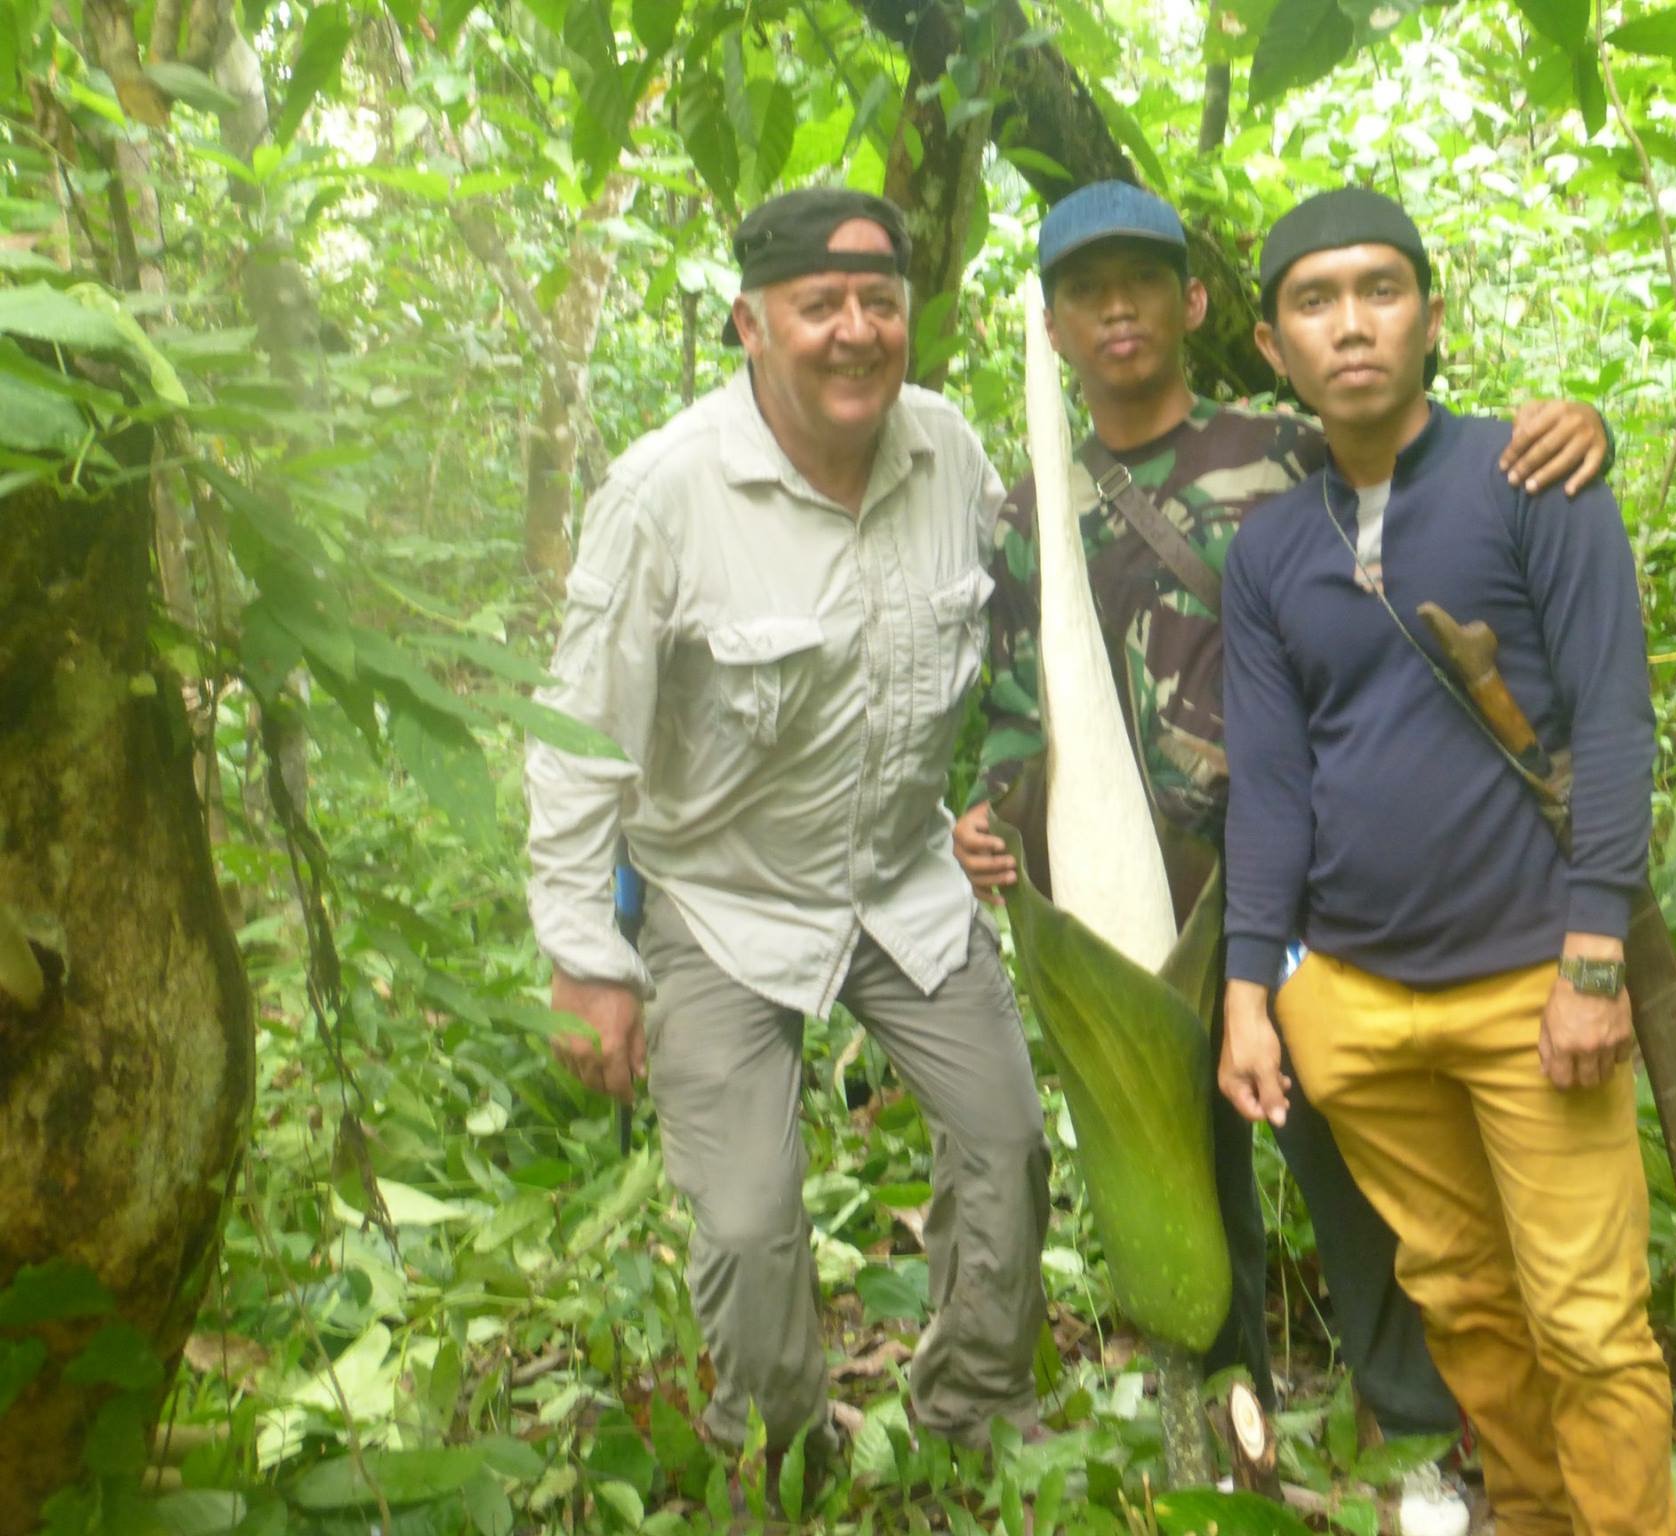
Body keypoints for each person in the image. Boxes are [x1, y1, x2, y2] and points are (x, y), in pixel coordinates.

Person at [951, 180, 1611, 1533]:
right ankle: (1227, 1447)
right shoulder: (1030, 504)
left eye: (1145, 281)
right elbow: (1019, 695)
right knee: (1188, 1192)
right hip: (1124, 925)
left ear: (1199, 308)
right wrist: (989, 805)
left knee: (1355, 1179)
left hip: (1288, 897)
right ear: (1059, 326)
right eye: (1088, 291)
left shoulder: (1290, 454)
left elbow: (1431, 494)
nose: (1119, 309)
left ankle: (1421, 1443)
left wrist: (1575, 427)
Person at [525, 188, 1050, 1467]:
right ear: (750, 326)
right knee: (753, 1221)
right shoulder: (663, 495)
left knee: (1008, 1150)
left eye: (880, 303)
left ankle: (970, 1418)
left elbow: (1024, 647)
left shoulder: (949, 457)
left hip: (897, 876)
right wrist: (586, 958)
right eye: (820, 306)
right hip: (719, 898)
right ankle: (782, 1454)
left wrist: (996, 789)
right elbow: (579, 736)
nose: (855, 332)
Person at [1217, 186, 1676, 1536]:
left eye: (1379, 291)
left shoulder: (1535, 477)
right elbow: (1276, 789)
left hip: (1533, 993)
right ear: (1269, 344)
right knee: (1466, 1301)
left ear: (1428, 315)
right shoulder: (1271, 548)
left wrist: (1594, 960)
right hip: (1353, 1002)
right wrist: (1254, 993)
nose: (1350, 325)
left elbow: (1613, 716)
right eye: (1314, 301)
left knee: (1589, 1322)